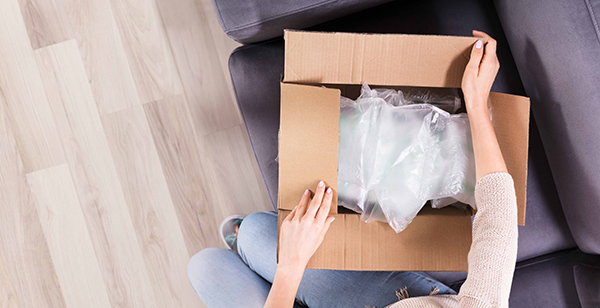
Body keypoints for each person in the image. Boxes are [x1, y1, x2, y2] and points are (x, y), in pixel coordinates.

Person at [188, 30, 517, 308]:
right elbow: (498, 218)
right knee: (254, 233)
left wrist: (291, 265)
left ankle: (260, 258)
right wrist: (475, 102)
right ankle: (249, 244)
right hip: (392, 300)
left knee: (205, 268)